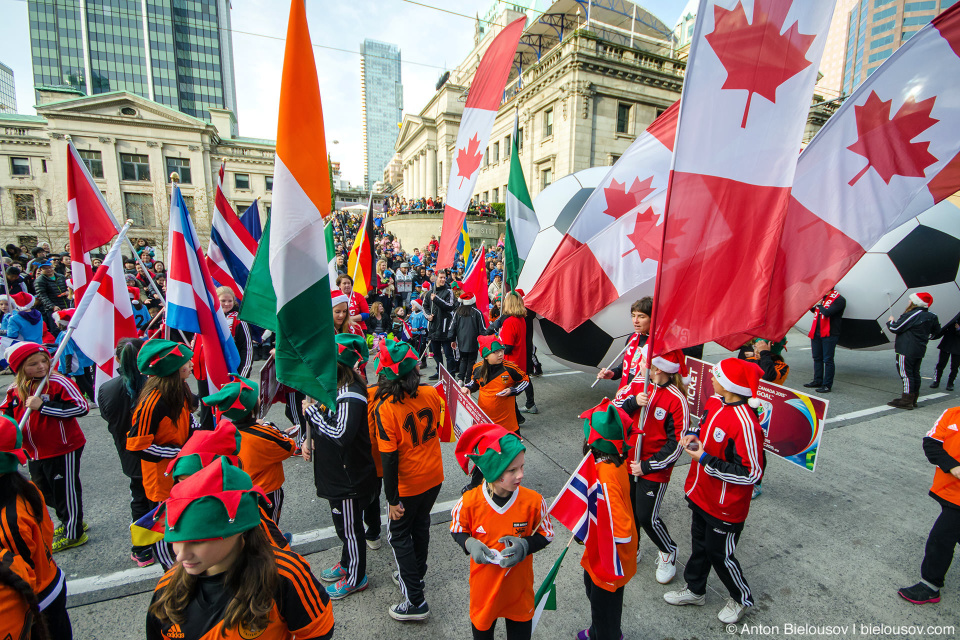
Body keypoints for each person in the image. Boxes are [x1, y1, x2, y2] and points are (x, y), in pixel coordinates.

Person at [145, 459, 335, 639]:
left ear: (238, 530)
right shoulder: (167, 590)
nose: (180, 556)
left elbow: (317, 632)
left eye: (197, 541)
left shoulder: (285, 577)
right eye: (175, 540)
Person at [664, 358, 765, 625]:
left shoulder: (746, 424)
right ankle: (695, 590)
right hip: (701, 495)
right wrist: (692, 435)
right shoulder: (714, 403)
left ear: (731, 385)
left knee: (721, 555)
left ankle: (741, 598)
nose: (711, 378)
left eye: (716, 375)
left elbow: (752, 472)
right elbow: (703, 429)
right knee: (699, 547)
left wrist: (706, 460)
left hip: (726, 506)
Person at [450, 423, 554, 640]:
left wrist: (525, 546)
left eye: (522, 467)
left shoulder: (534, 502)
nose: (521, 475)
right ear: (495, 473)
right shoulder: (469, 502)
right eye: (512, 470)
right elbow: (457, 529)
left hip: (518, 592)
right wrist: (470, 544)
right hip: (484, 593)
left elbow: (547, 534)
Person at [371, 340, 445, 621]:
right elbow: (439, 425)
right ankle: (416, 575)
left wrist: (391, 499)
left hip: (408, 482)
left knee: (399, 534)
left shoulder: (385, 407)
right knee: (421, 525)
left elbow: (388, 459)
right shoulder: (429, 392)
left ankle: (415, 600)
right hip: (433, 475)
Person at [303, 334, 378, 600]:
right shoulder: (335, 388)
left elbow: (340, 434)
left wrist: (312, 414)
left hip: (348, 478)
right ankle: (348, 563)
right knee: (343, 526)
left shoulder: (350, 394)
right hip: (337, 475)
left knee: (350, 529)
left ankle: (356, 577)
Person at [1, 342, 89, 552]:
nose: (41, 366)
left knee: (65, 492)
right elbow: (6, 413)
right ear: (19, 367)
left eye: (44, 361)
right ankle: (69, 520)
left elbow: (81, 407)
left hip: (63, 447)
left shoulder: (58, 382)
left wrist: (44, 407)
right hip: (33, 452)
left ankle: (74, 532)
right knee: (43, 490)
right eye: (33, 364)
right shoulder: (15, 389)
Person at [127, 339, 199, 569]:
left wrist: (198, 438)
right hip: (161, 477)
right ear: (171, 368)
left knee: (183, 519)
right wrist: (180, 451)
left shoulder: (182, 388)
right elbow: (139, 446)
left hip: (182, 470)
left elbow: (188, 419)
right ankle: (170, 571)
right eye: (185, 361)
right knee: (164, 523)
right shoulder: (152, 401)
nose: (191, 364)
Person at [619, 350, 689, 584]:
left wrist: (647, 466)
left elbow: (677, 444)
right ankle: (634, 548)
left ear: (657, 368)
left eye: (644, 361)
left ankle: (668, 551)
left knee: (646, 515)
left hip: (653, 469)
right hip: (629, 462)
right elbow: (615, 411)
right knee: (629, 511)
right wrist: (632, 403)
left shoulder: (676, 399)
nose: (638, 363)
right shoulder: (638, 384)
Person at [0, 415, 73, 638]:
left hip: (37, 599)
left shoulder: (11, 520)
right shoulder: (25, 486)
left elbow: (20, 577)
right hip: (50, 577)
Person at [577, 401, 638, 640]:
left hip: (610, 562)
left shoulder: (605, 477)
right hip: (601, 557)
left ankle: (606, 634)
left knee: (604, 608)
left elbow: (622, 532)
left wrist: (590, 531)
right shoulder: (614, 461)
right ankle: (600, 630)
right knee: (595, 595)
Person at [202, 376, 298, 523]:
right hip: (267, 491)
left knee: (248, 528)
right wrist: (272, 428)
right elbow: (288, 447)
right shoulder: (263, 433)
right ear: (251, 407)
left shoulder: (223, 434)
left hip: (238, 493)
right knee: (269, 528)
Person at [98, 338, 157, 567]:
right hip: (157, 455)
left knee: (140, 500)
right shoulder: (156, 385)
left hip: (130, 457)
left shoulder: (106, 389)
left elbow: (107, 416)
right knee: (159, 498)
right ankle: (165, 541)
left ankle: (142, 549)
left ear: (117, 359)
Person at [897, 406, 960, 605]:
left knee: (941, 538)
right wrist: (953, 466)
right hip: (951, 493)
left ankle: (930, 586)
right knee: (945, 536)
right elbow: (931, 443)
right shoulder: (951, 413)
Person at [462, 335, 528, 435]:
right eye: (495, 352)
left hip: (507, 423)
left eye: (501, 350)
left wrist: (513, 390)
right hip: (485, 419)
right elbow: (474, 382)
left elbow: (525, 380)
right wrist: (468, 388)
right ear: (486, 356)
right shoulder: (478, 368)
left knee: (511, 449)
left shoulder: (510, 368)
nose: (500, 354)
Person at [886, 292, 940, 409]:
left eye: (910, 300)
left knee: (906, 374)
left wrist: (890, 321)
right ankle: (913, 399)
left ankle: (906, 400)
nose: (908, 302)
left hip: (906, 349)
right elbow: (937, 333)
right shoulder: (932, 316)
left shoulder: (913, 314)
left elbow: (895, 328)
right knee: (915, 373)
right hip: (920, 349)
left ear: (915, 302)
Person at [597, 298, 651, 402]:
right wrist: (612, 374)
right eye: (633, 316)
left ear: (653, 318)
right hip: (626, 394)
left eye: (641, 316)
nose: (635, 321)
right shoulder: (633, 338)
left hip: (645, 397)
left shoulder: (658, 343)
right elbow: (626, 367)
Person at [498, 291, 537, 416]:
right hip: (520, 359)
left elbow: (508, 347)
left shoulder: (510, 321)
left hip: (511, 361)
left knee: (507, 392)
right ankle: (526, 407)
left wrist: (497, 344)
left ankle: (516, 417)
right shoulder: (521, 319)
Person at [804, 289, 845, 393]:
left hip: (829, 334)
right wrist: (812, 306)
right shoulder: (823, 298)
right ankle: (817, 380)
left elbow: (827, 313)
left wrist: (819, 305)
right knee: (817, 358)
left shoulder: (839, 299)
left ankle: (827, 385)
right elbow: (816, 311)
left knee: (828, 360)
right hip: (816, 333)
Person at [52, 310, 96, 403]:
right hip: (82, 360)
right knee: (86, 380)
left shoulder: (65, 335)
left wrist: (68, 367)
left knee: (82, 382)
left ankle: (93, 399)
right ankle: (84, 398)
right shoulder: (77, 332)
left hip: (73, 362)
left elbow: (68, 351)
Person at [425, 270, 457, 380]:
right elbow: (425, 306)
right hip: (433, 328)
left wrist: (437, 299)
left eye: (444, 278)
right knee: (436, 354)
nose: (443, 279)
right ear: (436, 278)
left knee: (448, 354)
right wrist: (428, 315)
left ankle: (451, 374)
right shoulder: (430, 293)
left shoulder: (449, 292)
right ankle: (440, 372)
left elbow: (450, 306)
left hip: (445, 329)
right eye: (441, 277)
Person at [452, 291, 487, 384]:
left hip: (461, 340)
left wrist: (452, 339)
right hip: (473, 341)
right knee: (471, 360)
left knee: (463, 359)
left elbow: (452, 326)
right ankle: (468, 380)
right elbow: (482, 328)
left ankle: (460, 378)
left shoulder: (458, 312)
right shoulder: (477, 312)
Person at [931, 309, 960, 391]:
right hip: (947, 343)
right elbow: (943, 329)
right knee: (941, 364)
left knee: (955, 366)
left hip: (957, 346)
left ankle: (950, 383)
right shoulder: (951, 316)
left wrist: (958, 329)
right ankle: (936, 381)